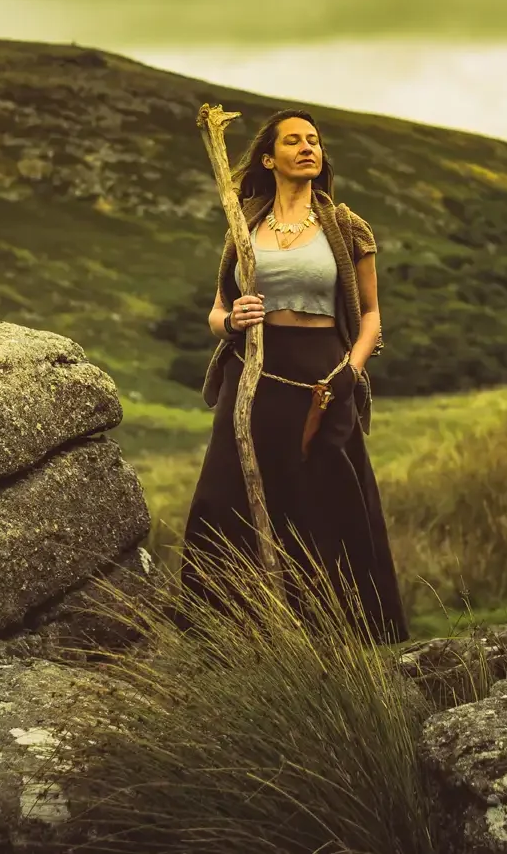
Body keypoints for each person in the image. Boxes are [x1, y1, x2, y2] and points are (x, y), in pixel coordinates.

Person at [180, 109, 409, 644]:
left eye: (314, 141)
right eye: (293, 141)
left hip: (323, 376)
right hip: (252, 376)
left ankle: (340, 636)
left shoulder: (347, 227)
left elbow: (372, 316)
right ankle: (229, 636)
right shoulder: (244, 225)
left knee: (324, 500)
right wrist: (231, 320)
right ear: (268, 157)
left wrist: (349, 374)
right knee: (231, 494)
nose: (308, 148)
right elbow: (217, 310)